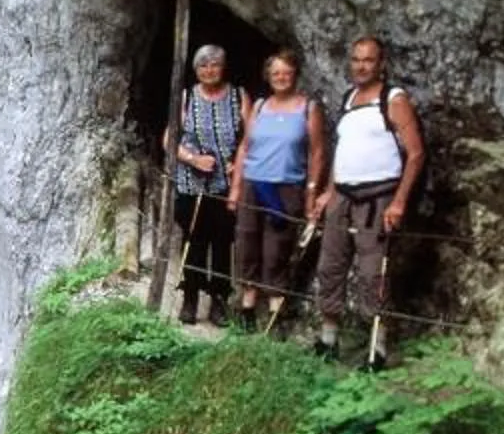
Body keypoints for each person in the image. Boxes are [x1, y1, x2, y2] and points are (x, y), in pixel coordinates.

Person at [310, 35, 424, 364]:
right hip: (342, 194)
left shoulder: (393, 99)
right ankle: (328, 338)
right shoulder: (349, 98)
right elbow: (342, 150)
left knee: (373, 271)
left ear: (381, 64)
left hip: (378, 196)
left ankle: (377, 345)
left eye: (368, 60)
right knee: (330, 265)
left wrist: (399, 202)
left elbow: (416, 153)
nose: (361, 66)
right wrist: (329, 191)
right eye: (356, 59)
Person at [228, 49, 326, 330]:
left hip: (287, 186)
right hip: (253, 182)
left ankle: (275, 311)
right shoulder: (259, 106)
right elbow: (245, 147)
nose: (281, 78)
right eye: (275, 73)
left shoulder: (308, 108)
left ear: (295, 75)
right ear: (268, 76)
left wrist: (311, 192)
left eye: (286, 73)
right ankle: (247, 306)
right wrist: (235, 188)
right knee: (247, 242)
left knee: (277, 248)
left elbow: (317, 153)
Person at [165, 44, 246, 326]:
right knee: (194, 240)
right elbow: (169, 139)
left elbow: (249, 139)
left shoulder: (238, 96)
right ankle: (190, 297)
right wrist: (194, 159)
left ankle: (219, 301)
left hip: (226, 185)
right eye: (203, 65)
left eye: (215, 65)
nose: (209, 70)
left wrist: (239, 167)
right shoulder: (187, 98)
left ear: (223, 67)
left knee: (223, 243)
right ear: (195, 70)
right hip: (192, 184)